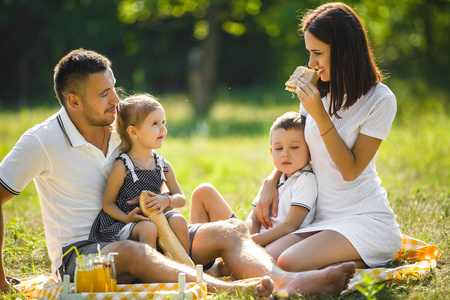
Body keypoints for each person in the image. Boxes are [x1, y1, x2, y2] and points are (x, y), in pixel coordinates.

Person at [0, 48, 356, 298]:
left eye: (113, 88)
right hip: (82, 256)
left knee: (230, 229)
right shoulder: (41, 142)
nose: (115, 100)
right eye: (104, 94)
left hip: (148, 234)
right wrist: (1, 282)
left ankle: (287, 283)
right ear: (74, 101)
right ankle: (224, 289)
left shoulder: (122, 125)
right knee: (133, 251)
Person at [254, 2, 403, 272]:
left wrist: (320, 115)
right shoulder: (316, 91)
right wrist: (271, 180)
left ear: (345, 52)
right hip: (322, 220)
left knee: (287, 261)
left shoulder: (380, 100)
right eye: (309, 53)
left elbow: (351, 170)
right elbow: (302, 152)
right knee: (266, 256)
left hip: (365, 218)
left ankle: (367, 262)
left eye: (318, 53)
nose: (311, 63)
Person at [88, 94, 190, 255]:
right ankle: (152, 270)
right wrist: (126, 218)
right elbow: (108, 204)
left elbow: (181, 198)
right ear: (133, 131)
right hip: (130, 221)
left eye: (163, 122)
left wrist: (166, 200)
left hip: (158, 215)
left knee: (179, 221)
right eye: (155, 124)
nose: (163, 128)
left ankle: (185, 264)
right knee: (148, 229)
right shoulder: (123, 166)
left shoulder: (163, 165)